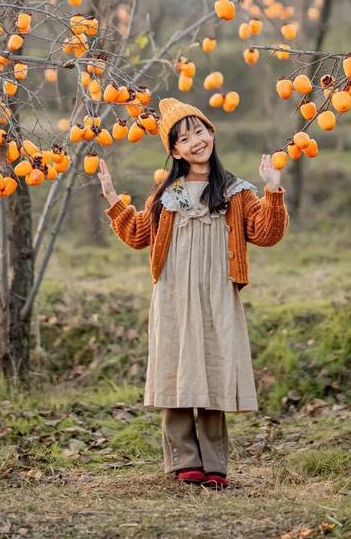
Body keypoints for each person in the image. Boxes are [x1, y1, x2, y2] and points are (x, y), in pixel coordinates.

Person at [97, 96, 289, 490]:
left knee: (214, 367)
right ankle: (185, 459)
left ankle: (214, 463)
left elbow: (267, 233)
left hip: (218, 291)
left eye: (199, 131)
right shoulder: (167, 196)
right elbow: (137, 234)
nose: (195, 141)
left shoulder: (235, 193)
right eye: (184, 139)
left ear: (211, 133)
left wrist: (273, 190)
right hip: (173, 292)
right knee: (177, 367)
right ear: (174, 151)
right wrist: (113, 199)